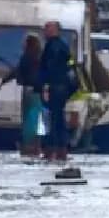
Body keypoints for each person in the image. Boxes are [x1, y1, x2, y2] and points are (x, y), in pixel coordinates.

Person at [0, 33, 43, 157]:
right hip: (38, 92)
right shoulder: (40, 57)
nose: (22, 44)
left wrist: (4, 81)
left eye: (24, 42)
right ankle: (36, 146)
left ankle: (29, 147)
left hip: (29, 90)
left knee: (29, 120)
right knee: (35, 119)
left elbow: (18, 71)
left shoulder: (27, 57)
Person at [38, 21, 76, 162]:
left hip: (55, 87)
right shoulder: (63, 46)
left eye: (47, 28)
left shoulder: (53, 46)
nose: (44, 31)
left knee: (52, 120)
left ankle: (52, 150)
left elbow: (50, 67)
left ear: (55, 30)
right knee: (58, 118)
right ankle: (61, 149)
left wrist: (46, 86)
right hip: (62, 88)